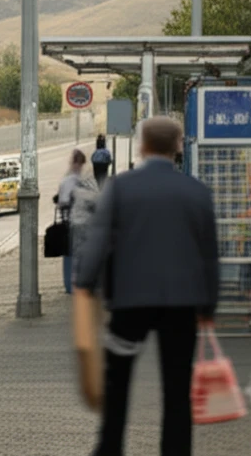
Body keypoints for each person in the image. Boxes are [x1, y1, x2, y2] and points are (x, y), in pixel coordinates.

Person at [75, 116, 219, 456]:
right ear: (178, 147)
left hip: (129, 303)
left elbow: (98, 240)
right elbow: (210, 255)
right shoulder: (197, 192)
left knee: (118, 385)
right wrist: (208, 306)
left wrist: (85, 282)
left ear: (142, 146)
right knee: (176, 390)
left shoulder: (121, 188)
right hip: (182, 306)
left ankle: (110, 449)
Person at [56, 149, 89, 294]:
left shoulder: (69, 179)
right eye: (80, 164)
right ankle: (73, 285)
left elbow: (61, 201)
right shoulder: (74, 181)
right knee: (74, 254)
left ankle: (70, 285)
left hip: (69, 220)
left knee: (69, 254)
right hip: (76, 220)